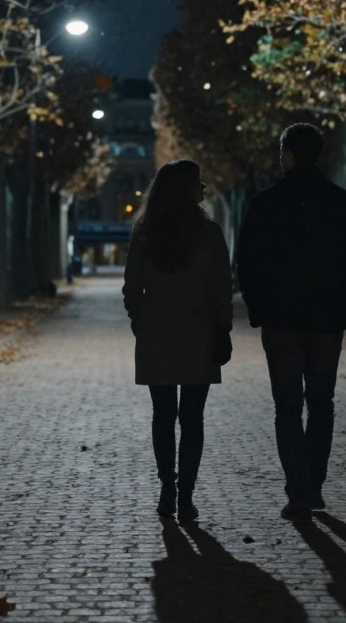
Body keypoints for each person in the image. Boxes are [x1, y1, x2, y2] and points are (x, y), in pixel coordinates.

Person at [236, 123, 346, 520]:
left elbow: (247, 263)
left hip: (281, 320)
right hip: (327, 320)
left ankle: (298, 487)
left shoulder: (266, 204)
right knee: (322, 403)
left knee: (287, 405)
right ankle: (314, 483)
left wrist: (259, 310)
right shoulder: (342, 203)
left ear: (288, 153)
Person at [123, 160, 234, 522]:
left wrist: (140, 320)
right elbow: (222, 288)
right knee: (192, 418)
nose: (204, 188)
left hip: (157, 332)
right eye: (198, 182)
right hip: (199, 332)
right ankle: (186, 493)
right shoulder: (210, 233)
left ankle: (167, 489)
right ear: (186, 189)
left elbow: (132, 286)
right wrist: (224, 328)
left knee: (163, 415)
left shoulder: (145, 233)